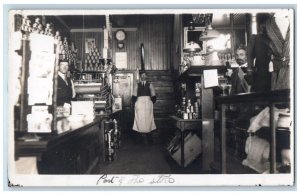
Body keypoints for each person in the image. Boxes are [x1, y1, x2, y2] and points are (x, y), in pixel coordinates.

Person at [131, 71, 157, 144]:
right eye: (141, 75)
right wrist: (135, 103)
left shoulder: (150, 85)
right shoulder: (137, 85)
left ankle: (149, 138)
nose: (143, 77)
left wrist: (151, 102)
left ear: (146, 76)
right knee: (139, 119)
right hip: (139, 103)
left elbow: (153, 96)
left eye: (144, 75)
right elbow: (134, 96)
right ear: (140, 77)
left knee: (148, 119)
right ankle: (139, 138)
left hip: (148, 103)